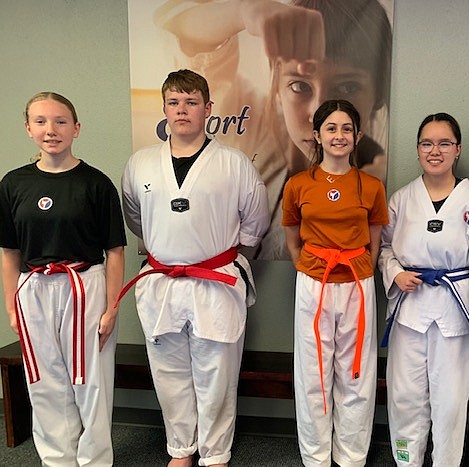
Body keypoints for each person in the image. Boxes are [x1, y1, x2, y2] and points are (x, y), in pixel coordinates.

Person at [152, 0, 392, 259]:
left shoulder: (379, 187)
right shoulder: (253, 122)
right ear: (277, 85)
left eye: (347, 88)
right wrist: (243, 11)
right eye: (300, 87)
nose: (319, 116)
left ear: (378, 93)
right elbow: (187, 40)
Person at [120, 69, 269, 467]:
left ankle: (216, 452)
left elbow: (255, 224)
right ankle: (181, 449)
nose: (181, 110)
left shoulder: (234, 164)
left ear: (208, 108)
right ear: (164, 108)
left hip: (216, 280)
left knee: (217, 372)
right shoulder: (141, 164)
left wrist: (222, 258)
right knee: (169, 373)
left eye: (190, 102)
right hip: (162, 279)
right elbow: (136, 217)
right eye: (173, 102)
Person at [0, 92, 126, 466]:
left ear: (76, 128)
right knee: (45, 382)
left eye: (60, 121)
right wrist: (11, 305)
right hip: (34, 288)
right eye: (40, 121)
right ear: (27, 128)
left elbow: (115, 251)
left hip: (84, 286)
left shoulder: (96, 184)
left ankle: (95, 460)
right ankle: (57, 460)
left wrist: (112, 307)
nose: (50, 130)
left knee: (92, 382)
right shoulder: (13, 184)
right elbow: (9, 251)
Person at [378, 113, 469, 466]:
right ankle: (407, 461)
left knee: (450, 401)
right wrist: (396, 273)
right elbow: (384, 249)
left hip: (454, 311)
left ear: (458, 150)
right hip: (410, 310)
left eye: (444, 143)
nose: (435, 151)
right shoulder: (401, 199)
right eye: (427, 143)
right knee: (405, 396)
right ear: (417, 150)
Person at [282, 99, 388, 466]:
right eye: (331, 128)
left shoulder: (371, 186)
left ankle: (351, 457)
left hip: (357, 284)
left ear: (357, 136)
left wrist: (358, 269)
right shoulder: (298, 185)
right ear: (317, 136)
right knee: (313, 372)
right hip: (314, 283)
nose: (339, 136)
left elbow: (374, 238)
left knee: (355, 371)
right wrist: (310, 266)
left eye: (346, 129)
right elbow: (292, 236)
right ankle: (315, 457)